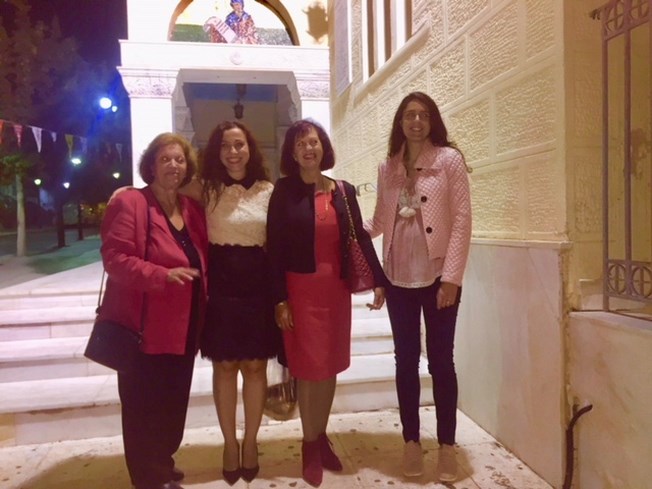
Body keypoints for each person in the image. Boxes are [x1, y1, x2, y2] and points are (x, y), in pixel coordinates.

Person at [266, 119, 386, 487]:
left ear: (324, 147)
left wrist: (379, 281)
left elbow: (359, 237)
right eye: (301, 143)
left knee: (330, 366)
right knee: (308, 368)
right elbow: (274, 248)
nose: (309, 148)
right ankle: (308, 444)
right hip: (300, 291)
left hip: (335, 290)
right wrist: (280, 299)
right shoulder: (284, 192)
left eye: (314, 141)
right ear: (292, 152)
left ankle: (320, 436)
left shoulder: (342, 190)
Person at [364, 92, 472, 483]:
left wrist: (452, 278)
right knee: (405, 361)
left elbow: (461, 221)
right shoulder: (388, 167)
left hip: (438, 276)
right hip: (398, 278)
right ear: (400, 122)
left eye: (423, 115)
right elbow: (379, 221)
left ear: (432, 121)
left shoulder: (448, 160)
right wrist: (344, 228)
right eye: (409, 115)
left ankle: (446, 446)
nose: (416, 122)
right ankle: (411, 441)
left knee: (441, 361)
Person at [98, 133, 208, 489]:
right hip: (144, 328)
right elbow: (115, 259)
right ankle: (147, 477)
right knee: (142, 408)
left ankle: (162, 460)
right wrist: (162, 275)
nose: (173, 165)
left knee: (173, 404)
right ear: (151, 166)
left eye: (180, 159)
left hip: (184, 327)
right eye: (165, 159)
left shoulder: (191, 209)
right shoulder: (131, 202)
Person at [180, 121, 279, 485]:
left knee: (255, 367)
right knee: (224, 368)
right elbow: (163, 183)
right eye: (225, 146)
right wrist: (127, 191)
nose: (233, 152)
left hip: (258, 287)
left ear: (250, 148)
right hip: (220, 288)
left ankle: (250, 442)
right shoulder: (205, 188)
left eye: (239, 145)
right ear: (216, 152)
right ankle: (229, 444)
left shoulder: (268, 190)